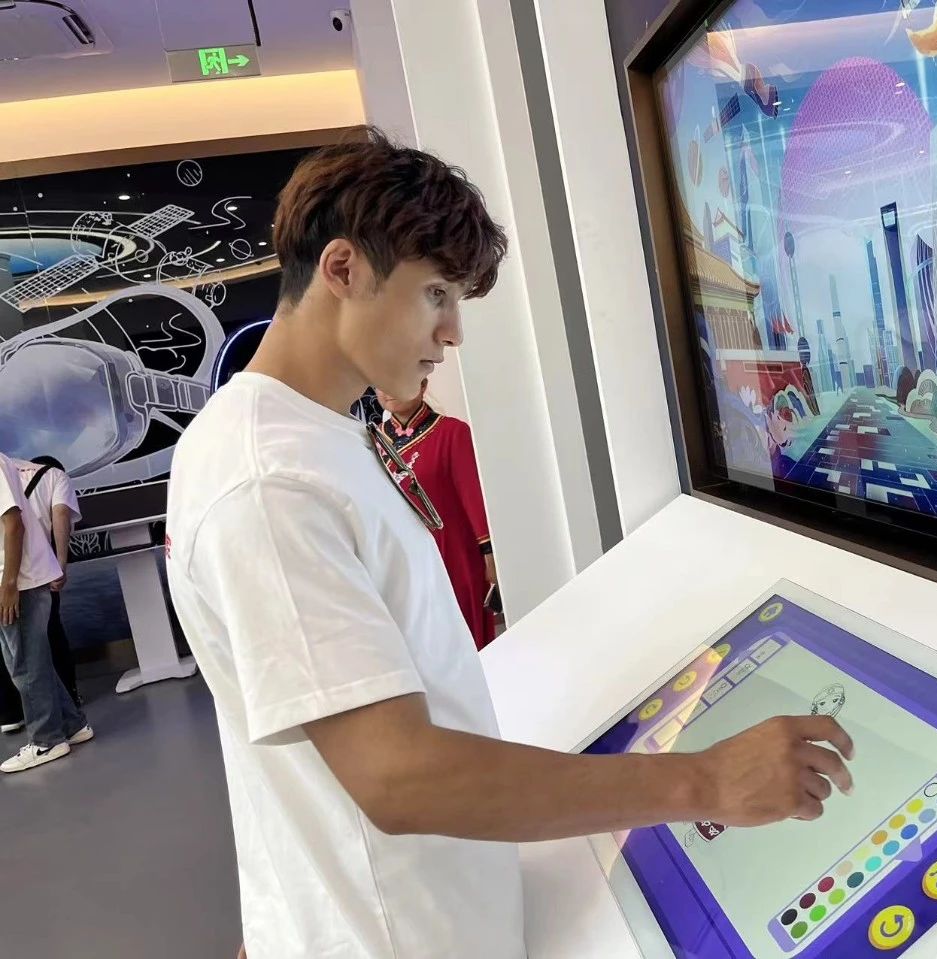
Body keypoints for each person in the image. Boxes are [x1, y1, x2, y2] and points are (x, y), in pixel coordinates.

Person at [165, 129, 854, 959]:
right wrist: (703, 779)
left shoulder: (305, 437)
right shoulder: (269, 480)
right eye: (435, 294)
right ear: (342, 269)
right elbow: (396, 776)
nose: (453, 331)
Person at [373, 379, 498, 649]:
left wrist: (489, 554)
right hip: (404, 560)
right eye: (380, 384)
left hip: (453, 553)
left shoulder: (452, 432)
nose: (388, 390)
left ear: (421, 385)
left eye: (395, 380)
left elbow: (473, 496)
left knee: (465, 636)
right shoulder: (373, 442)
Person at [0, 450, 91, 773]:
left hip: (19, 581)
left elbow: (13, 524)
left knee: (25, 665)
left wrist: (9, 583)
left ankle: (46, 740)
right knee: (33, 661)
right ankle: (72, 723)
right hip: (22, 578)